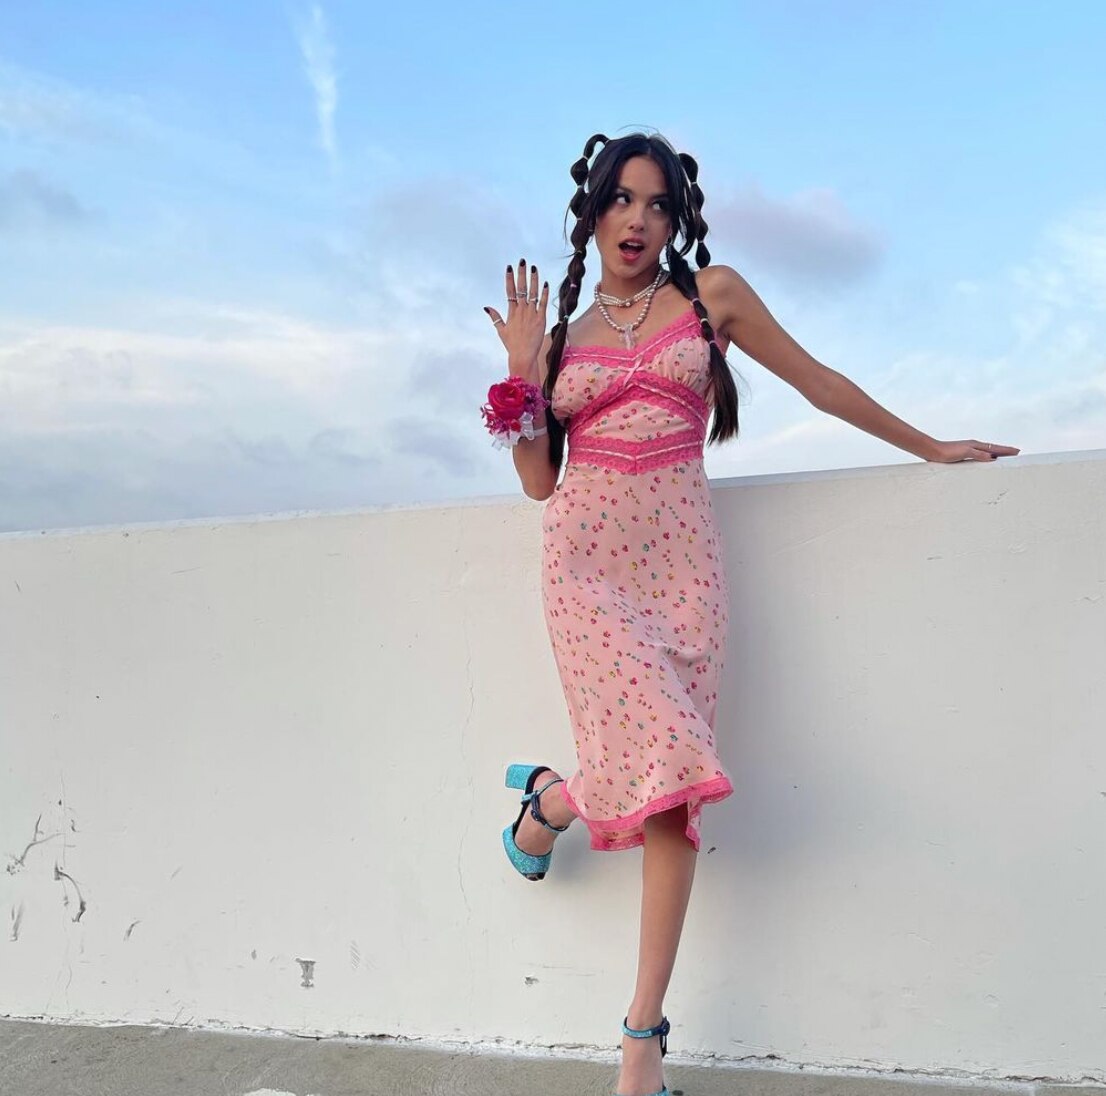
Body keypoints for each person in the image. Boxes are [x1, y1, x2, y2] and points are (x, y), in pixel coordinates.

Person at [482, 131, 1018, 1096]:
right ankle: (640, 1050)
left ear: (676, 220)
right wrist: (524, 368)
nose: (638, 220)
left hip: (684, 575)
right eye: (620, 200)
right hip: (586, 571)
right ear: (591, 213)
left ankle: (552, 804)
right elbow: (535, 482)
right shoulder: (563, 342)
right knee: (670, 765)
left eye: (657, 204)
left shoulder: (710, 297)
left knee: (670, 789)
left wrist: (930, 447)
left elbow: (818, 381)